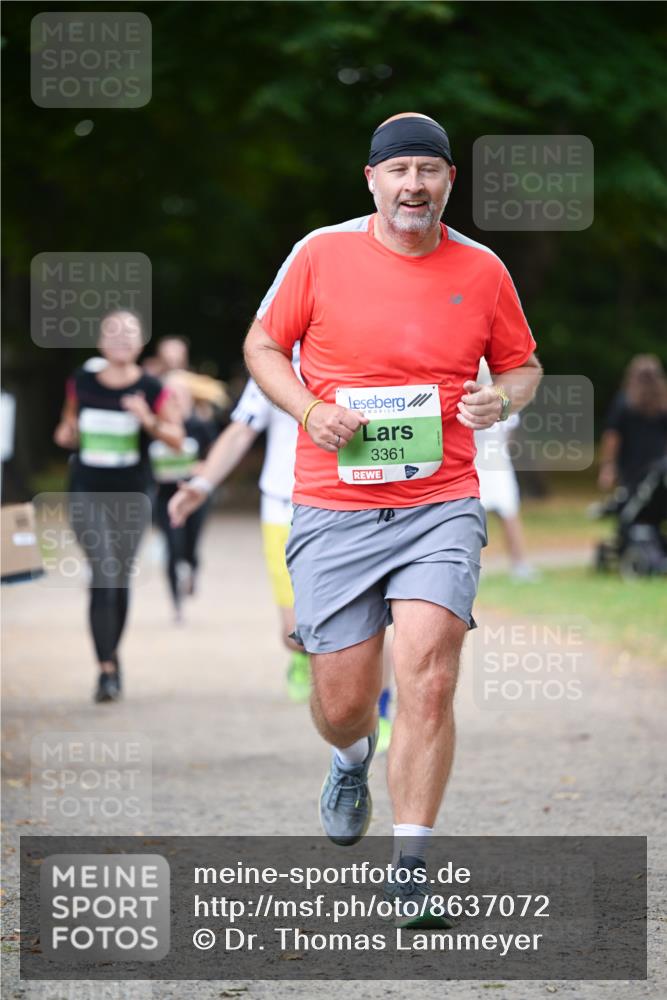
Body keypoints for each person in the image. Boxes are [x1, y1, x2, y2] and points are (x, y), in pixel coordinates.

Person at [243, 112, 543, 926]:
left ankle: (410, 863)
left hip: (439, 501)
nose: (414, 185)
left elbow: (522, 367)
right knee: (343, 698)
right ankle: (348, 759)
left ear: (450, 181)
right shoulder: (319, 253)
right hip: (335, 505)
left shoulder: (481, 269)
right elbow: (262, 347)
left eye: (430, 171)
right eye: (399, 170)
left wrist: (498, 397)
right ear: (370, 179)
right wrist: (308, 410)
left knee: (430, 673)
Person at [168, 354, 396, 737]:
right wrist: (203, 484)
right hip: (284, 506)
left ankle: (382, 711)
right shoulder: (275, 366)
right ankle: (302, 658)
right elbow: (241, 431)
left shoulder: (364, 354)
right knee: (295, 634)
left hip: (355, 507)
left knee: (373, 622)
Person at [54, 309, 183, 702]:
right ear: (100, 341)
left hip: (132, 494)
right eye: (113, 331)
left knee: (118, 578)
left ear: (141, 341)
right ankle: (105, 669)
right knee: (103, 568)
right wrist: (67, 433)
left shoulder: (153, 388)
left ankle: (112, 656)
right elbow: (67, 429)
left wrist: (147, 419)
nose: (121, 338)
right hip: (86, 490)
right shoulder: (82, 382)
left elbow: (176, 439)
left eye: (129, 332)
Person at [150, 372, 219, 621]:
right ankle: (176, 606)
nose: (175, 399)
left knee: (190, 547)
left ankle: (191, 570)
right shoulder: (155, 427)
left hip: (194, 498)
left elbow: (215, 457)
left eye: (180, 394)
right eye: (170, 394)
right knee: (172, 547)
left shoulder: (199, 426)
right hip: (165, 498)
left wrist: (202, 469)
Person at [474, 359, 538, 581]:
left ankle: (516, 564)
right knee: (507, 513)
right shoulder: (501, 397)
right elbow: (510, 432)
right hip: (493, 460)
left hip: (485, 460)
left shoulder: (479, 397)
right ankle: (519, 564)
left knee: (492, 515)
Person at [598, 354, 667, 495]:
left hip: (630, 467)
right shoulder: (663, 405)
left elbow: (612, 437)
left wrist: (608, 466)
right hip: (658, 467)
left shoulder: (623, 402)